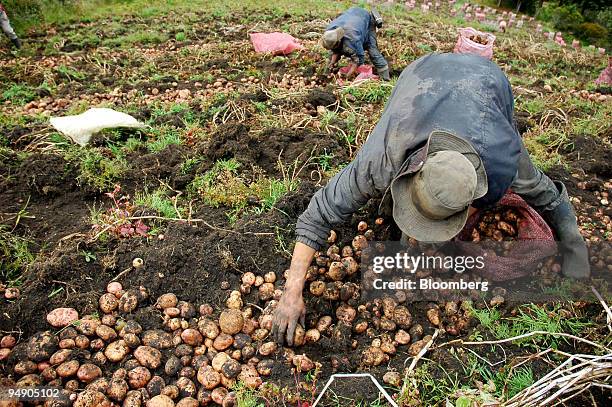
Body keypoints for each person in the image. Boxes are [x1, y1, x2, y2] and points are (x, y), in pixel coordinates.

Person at [272, 53, 590, 345]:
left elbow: (549, 197)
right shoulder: (382, 157)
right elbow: (319, 213)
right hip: (423, 75)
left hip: (488, 82)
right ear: (409, 173)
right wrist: (292, 290)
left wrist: (574, 248)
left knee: (519, 183)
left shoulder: (505, 164)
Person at [321, 7, 390, 81]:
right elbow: (335, 50)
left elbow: (358, 60)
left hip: (366, 21)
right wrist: (332, 62)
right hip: (352, 16)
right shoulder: (330, 31)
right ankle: (326, 75)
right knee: (331, 55)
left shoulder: (353, 40)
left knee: (373, 53)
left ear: (339, 41)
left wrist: (347, 77)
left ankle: (385, 79)